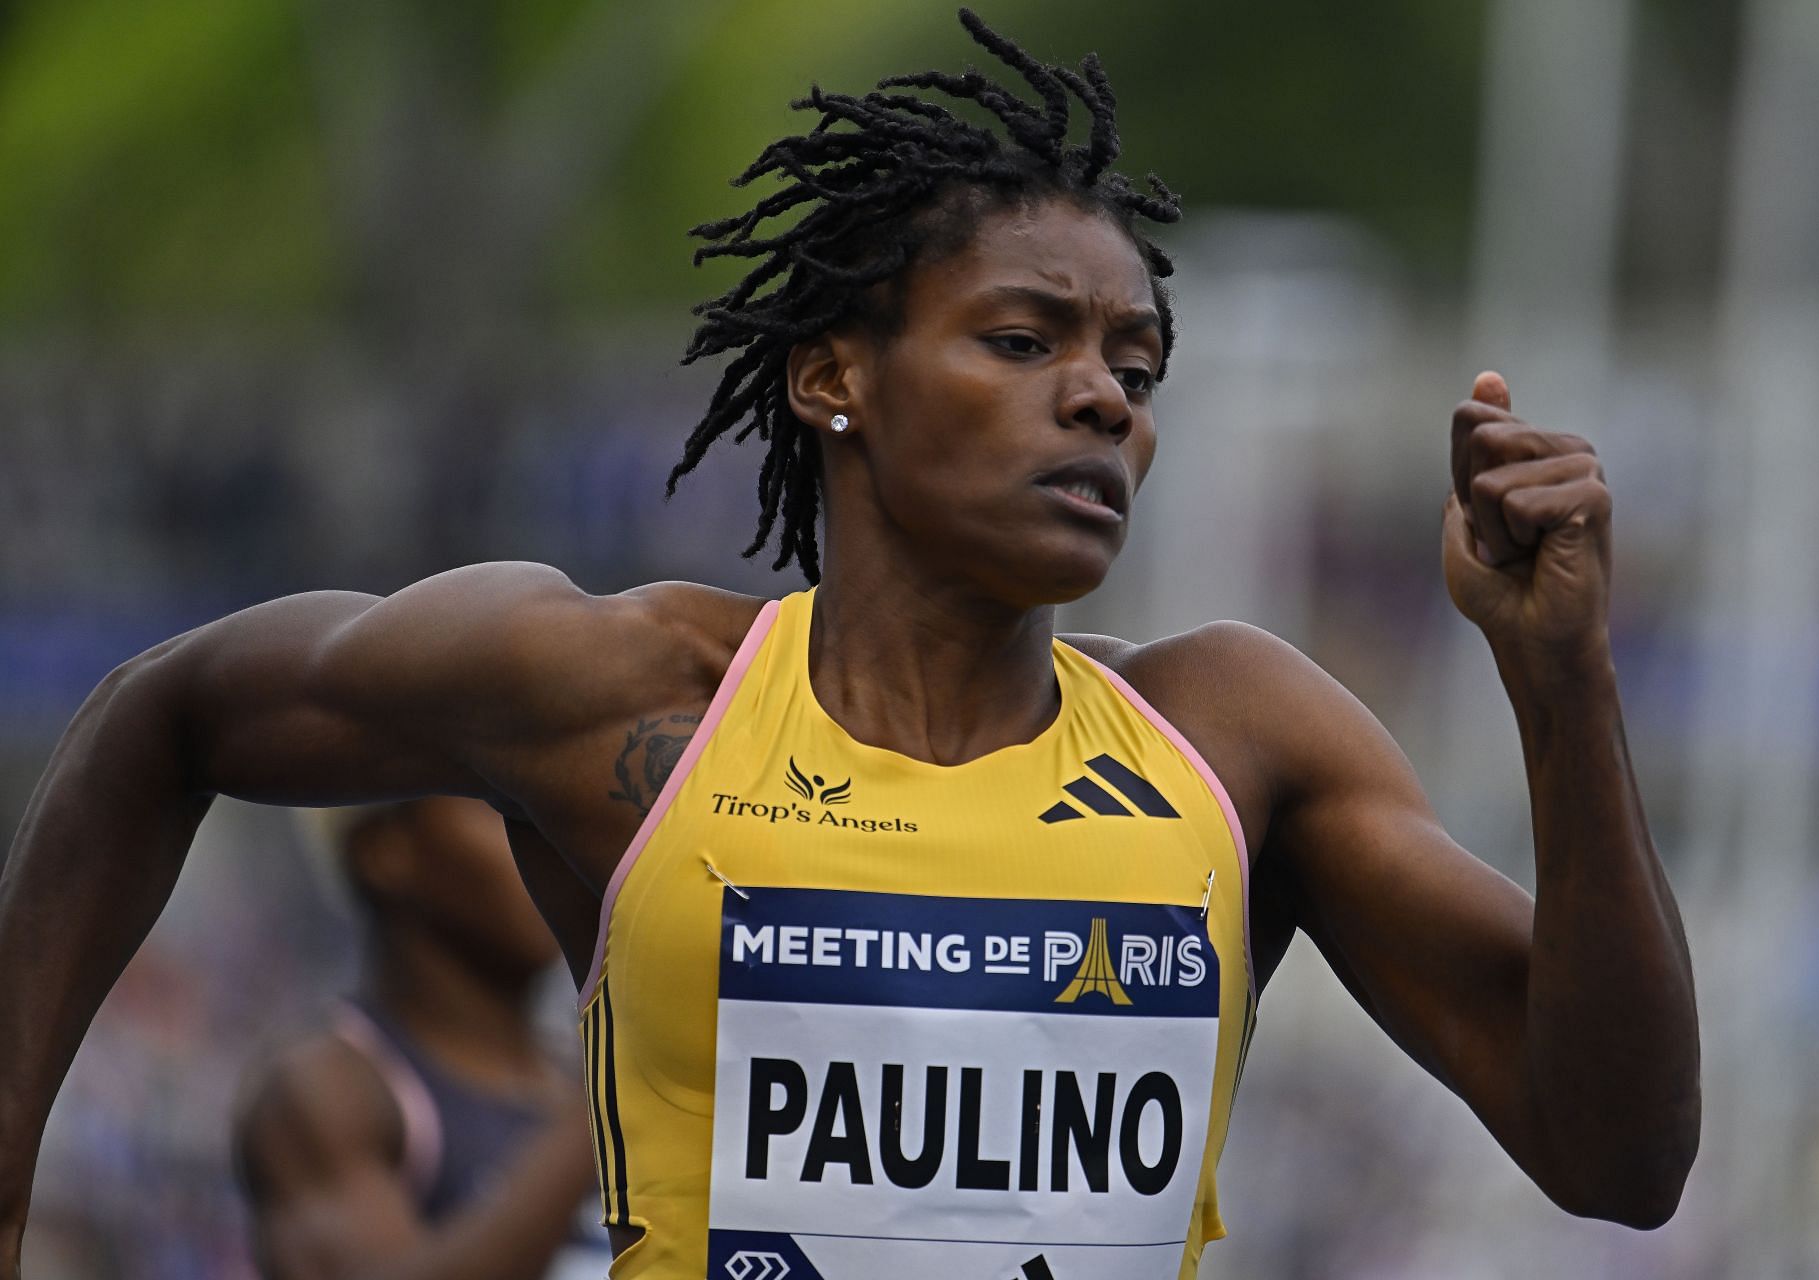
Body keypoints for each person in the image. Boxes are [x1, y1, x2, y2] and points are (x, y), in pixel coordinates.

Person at [0, 10, 1699, 1279]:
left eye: (1135, 363)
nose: (1103, 394)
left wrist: (1565, 686)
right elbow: (168, 718)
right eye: (1026, 339)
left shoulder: (1234, 742)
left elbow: (1619, 1157)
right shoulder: (624, 698)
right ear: (837, 380)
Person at [232, 797, 606, 1280]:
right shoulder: (326, 1092)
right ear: (386, 850)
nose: (550, 846)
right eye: (504, 814)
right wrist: (601, 1106)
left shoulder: (572, 1075)